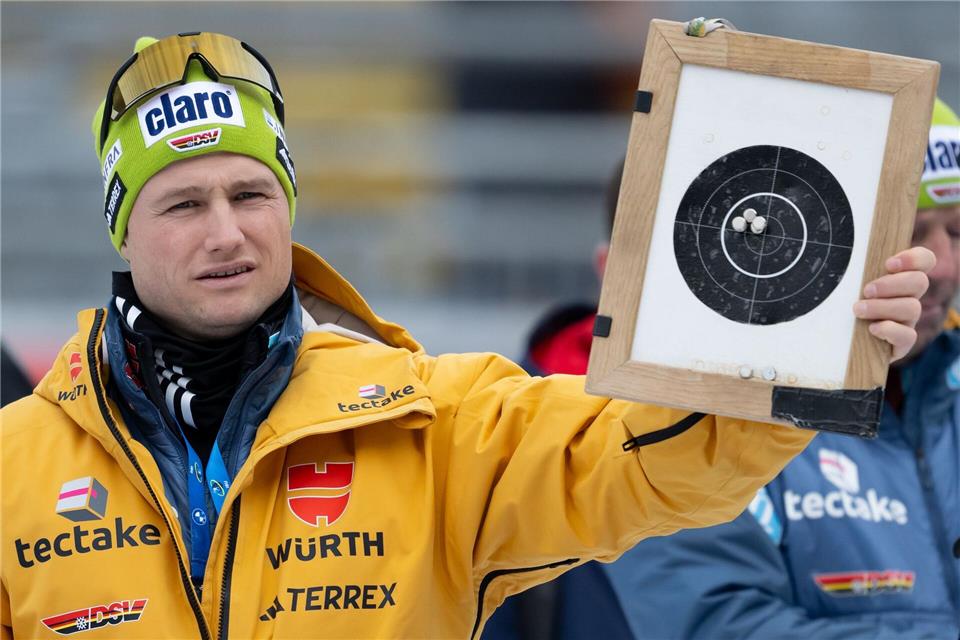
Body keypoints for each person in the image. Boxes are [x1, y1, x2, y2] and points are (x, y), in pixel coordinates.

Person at [0, 32, 932, 639]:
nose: (227, 232)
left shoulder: (436, 419)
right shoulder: (17, 462)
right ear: (122, 226)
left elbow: (657, 463)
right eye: (182, 204)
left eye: (252, 194)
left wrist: (805, 333)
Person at [593, 98, 960, 639]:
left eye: (958, 232)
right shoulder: (685, 407)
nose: (943, 264)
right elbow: (714, 625)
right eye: (910, 233)